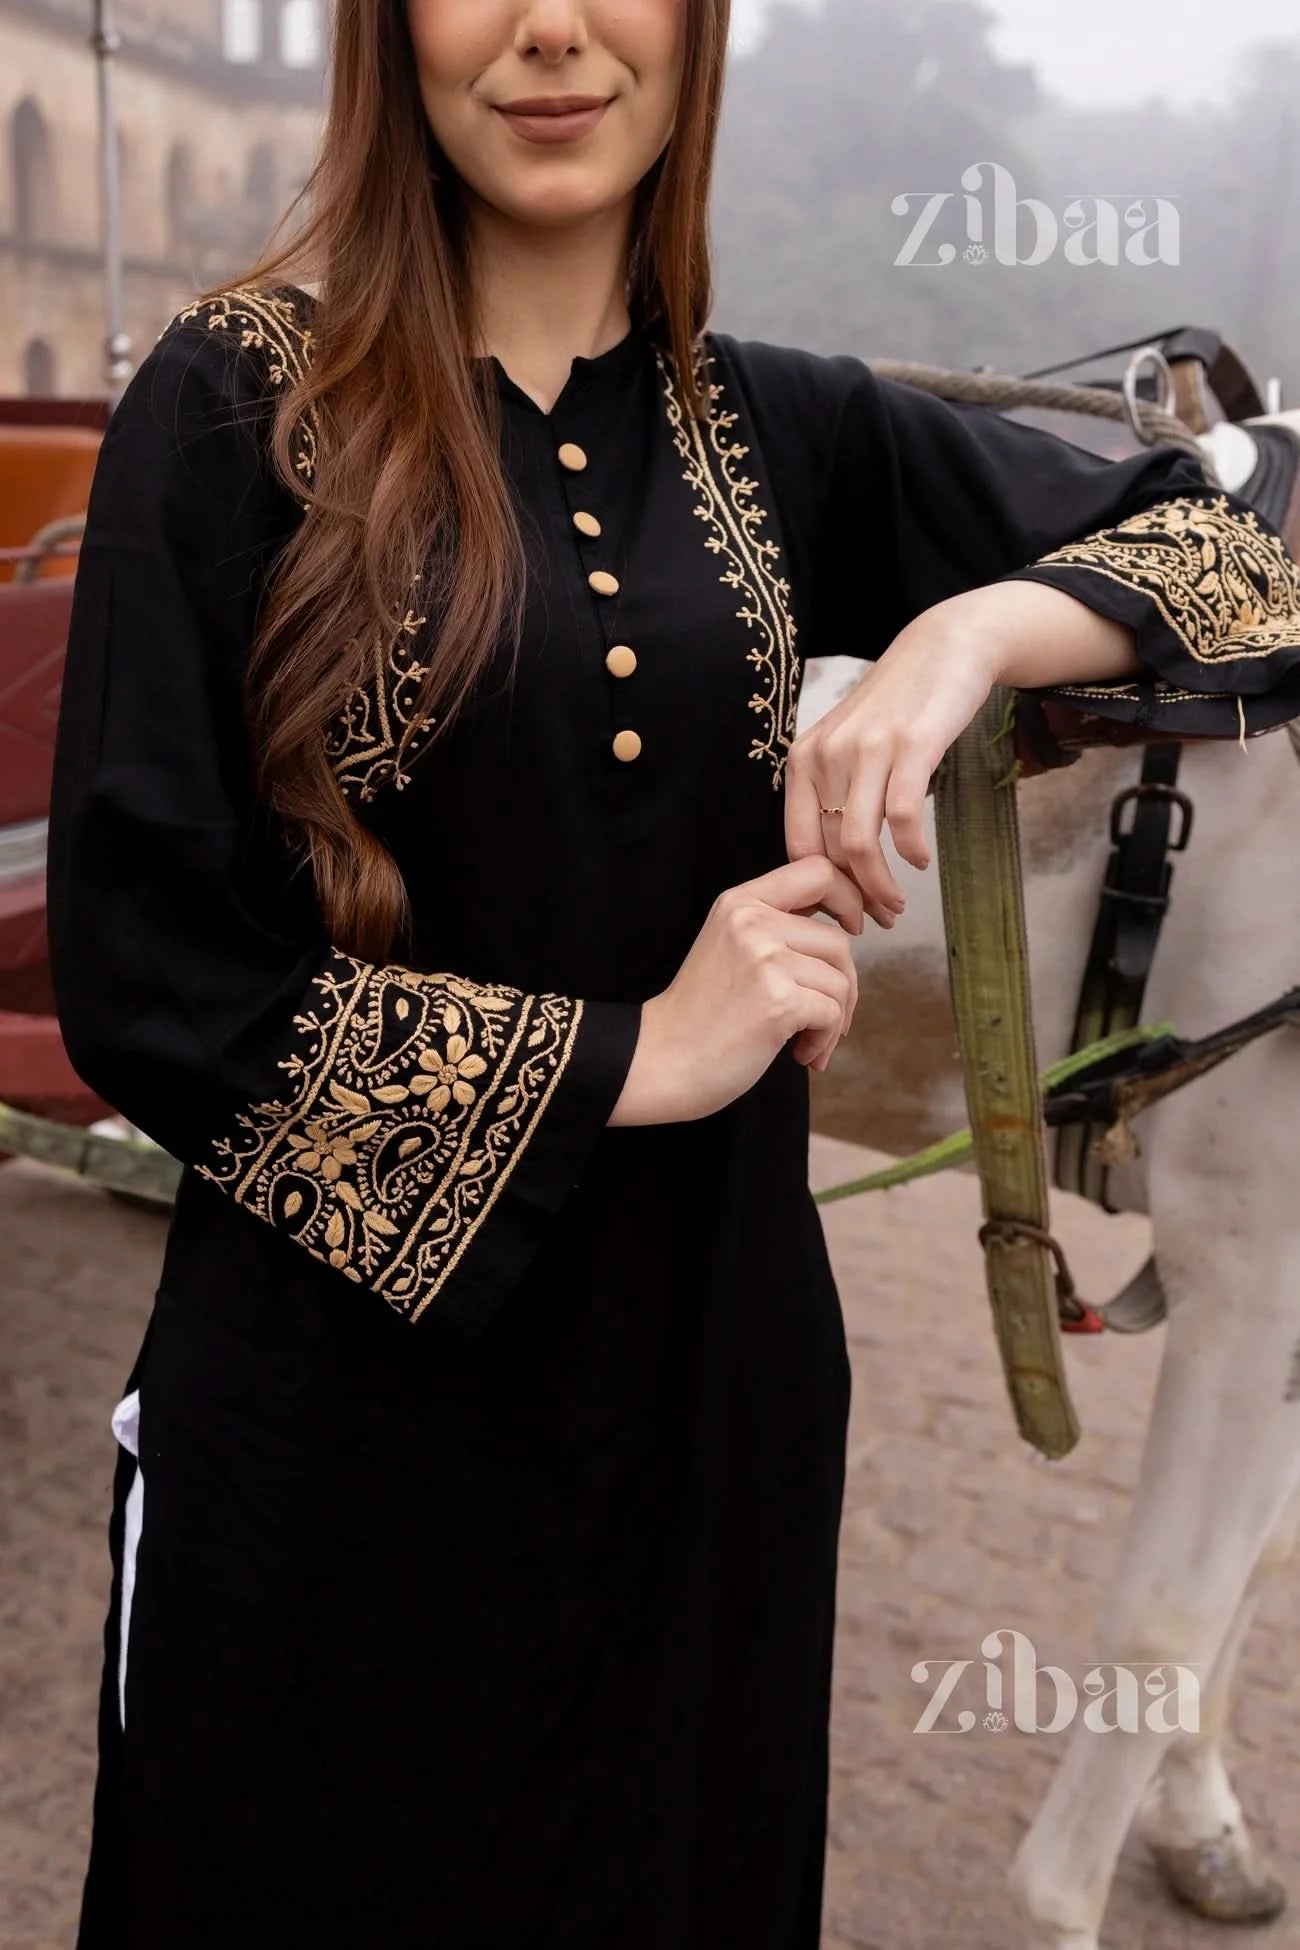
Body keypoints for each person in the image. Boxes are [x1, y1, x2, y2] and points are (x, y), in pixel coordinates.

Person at [48, 4, 1300, 1946]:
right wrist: (634, 1052)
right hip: (337, 1437)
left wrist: (971, 631)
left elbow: (1249, 565)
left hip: (708, 1420)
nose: (552, 30)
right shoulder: (236, 406)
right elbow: (148, 972)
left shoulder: (776, 426)